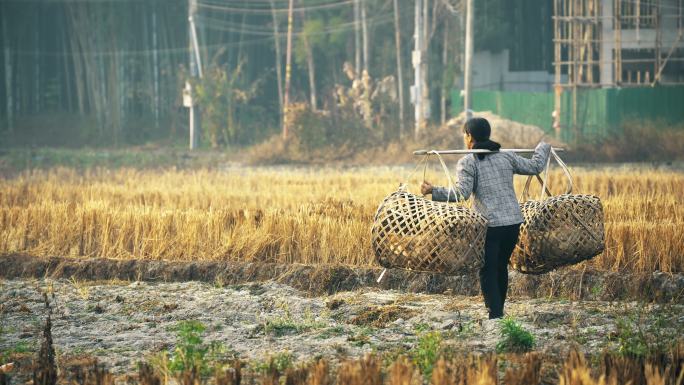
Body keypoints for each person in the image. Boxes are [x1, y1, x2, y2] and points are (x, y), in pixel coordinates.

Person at [420, 117, 551, 320]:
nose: (465, 138)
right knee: (500, 266)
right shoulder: (506, 157)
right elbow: (535, 166)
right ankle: (498, 312)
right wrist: (543, 146)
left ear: (469, 136)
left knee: (488, 270)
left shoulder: (468, 162)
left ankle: (495, 314)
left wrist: (432, 190)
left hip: (490, 226)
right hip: (512, 223)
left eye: (465, 134)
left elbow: (461, 194)